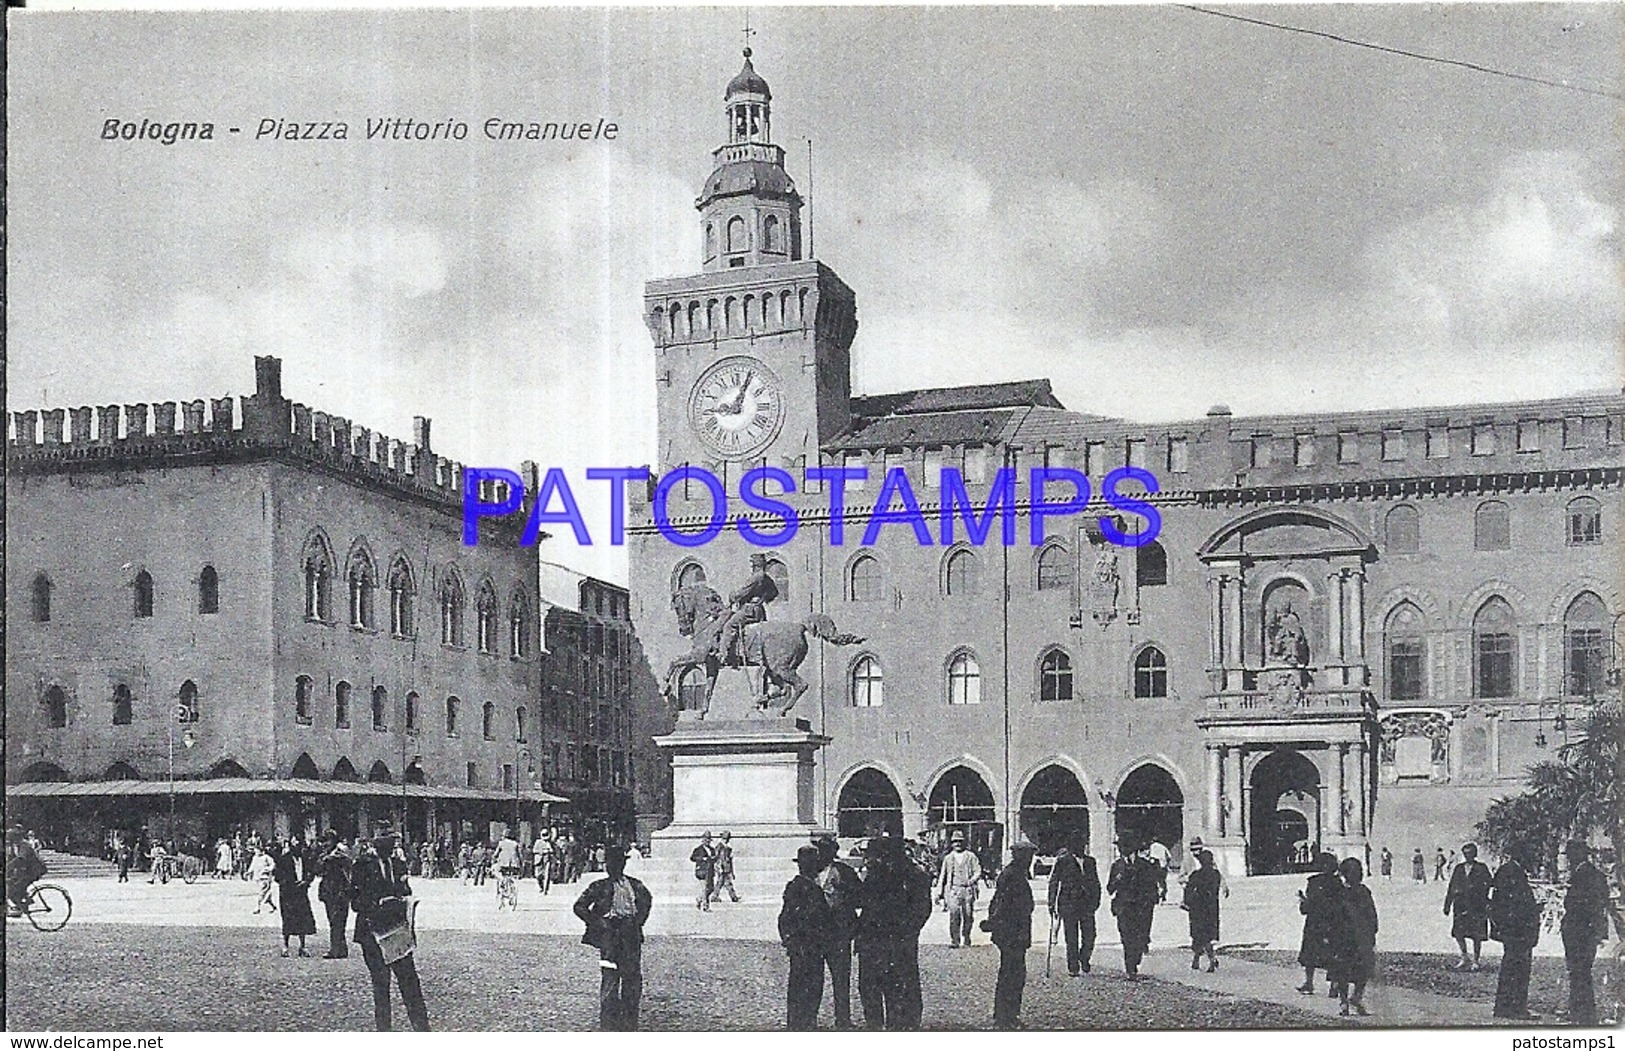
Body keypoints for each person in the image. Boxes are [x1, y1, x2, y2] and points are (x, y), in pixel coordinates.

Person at [352, 823, 430, 1031]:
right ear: (376, 843)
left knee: (410, 983)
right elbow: (355, 902)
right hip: (372, 933)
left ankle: (423, 1030)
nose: (391, 846)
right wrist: (378, 903)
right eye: (386, 842)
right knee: (381, 986)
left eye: (393, 841)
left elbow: (405, 889)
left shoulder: (398, 864)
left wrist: (404, 899)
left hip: (397, 932)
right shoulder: (362, 865)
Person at [854, 835, 933, 1030]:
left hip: (899, 941)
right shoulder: (876, 874)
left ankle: (904, 1023)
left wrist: (908, 931)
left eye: (874, 854)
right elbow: (864, 903)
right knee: (870, 984)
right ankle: (876, 1023)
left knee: (900, 983)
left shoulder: (913, 874)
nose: (870, 859)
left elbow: (922, 909)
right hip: (872, 940)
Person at [573, 842, 652, 1031]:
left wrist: (637, 922)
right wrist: (599, 923)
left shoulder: (635, 885)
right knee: (610, 977)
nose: (613, 867)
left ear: (622, 865)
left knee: (632, 978)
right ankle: (609, 1024)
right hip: (609, 938)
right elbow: (579, 906)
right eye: (611, 863)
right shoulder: (599, 886)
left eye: (617, 863)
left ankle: (629, 1021)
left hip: (630, 936)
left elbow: (647, 902)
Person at [779, 844, 834, 1030]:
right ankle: (805, 1025)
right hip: (811, 947)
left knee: (798, 987)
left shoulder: (795, 886)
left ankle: (797, 1024)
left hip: (800, 948)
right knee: (811, 989)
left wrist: (789, 941)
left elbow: (784, 920)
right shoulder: (808, 888)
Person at [985, 840, 1036, 1030]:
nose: (1030, 860)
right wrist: (993, 923)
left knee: (1013, 974)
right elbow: (1002, 904)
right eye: (1028, 856)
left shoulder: (1015, 874)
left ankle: (1007, 1015)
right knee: (1012, 975)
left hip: (1014, 933)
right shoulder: (1012, 876)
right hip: (1011, 934)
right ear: (1020, 856)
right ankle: (1006, 1017)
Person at [1561, 839, 1611, 1026]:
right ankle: (1579, 1012)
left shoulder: (1584, 875)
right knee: (1580, 971)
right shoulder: (1592, 874)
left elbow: (1577, 905)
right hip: (1586, 931)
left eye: (1570, 855)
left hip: (1579, 931)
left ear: (1577, 855)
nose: (1568, 860)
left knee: (1579, 971)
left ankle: (1581, 1014)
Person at [814, 834, 861, 1029]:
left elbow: (859, 897)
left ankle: (843, 1019)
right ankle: (809, 1019)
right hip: (816, 935)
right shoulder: (810, 872)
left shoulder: (845, 872)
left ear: (833, 852)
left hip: (839, 934)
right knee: (813, 980)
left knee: (841, 980)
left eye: (827, 850)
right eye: (821, 850)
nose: (823, 854)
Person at [1489, 856, 1542, 1021]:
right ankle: (1517, 1008)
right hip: (1518, 930)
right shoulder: (1514, 872)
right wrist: (1535, 908)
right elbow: (1517, 904)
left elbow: (1498, 901)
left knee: (1509, 967)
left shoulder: (1506, 870)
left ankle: (1504, 1007)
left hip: (1510, 929)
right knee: (1519, 969)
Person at [1328, 857, 1377, 1017]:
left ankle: (1354, 998)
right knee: (1346, 971)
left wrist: (1372, 931)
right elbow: (1334, 917)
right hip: (1347, 938)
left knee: (1361, 970)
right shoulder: (1341, 893)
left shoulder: (1362, 891)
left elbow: (1371, 914)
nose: (1358, 875)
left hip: (1357, 938)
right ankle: (1345, 1001)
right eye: (1355, 872)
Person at [1107, 831, 1160, 980]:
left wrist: (1151, 902)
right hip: (1124, 907)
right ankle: (1131, 968)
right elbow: (1110, 889)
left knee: (1140, 937)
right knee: (1126, 937)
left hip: (1141, 907)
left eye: (1123, 846)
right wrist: (1117, 879)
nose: (1120, 849)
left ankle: (1135, 960)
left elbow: (1151, 885)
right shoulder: (1117, 866)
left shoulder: (1145, 865)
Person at [1047, 832, 1101, 976]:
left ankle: (1084, 958)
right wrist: (1051, 903)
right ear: (1072, 846)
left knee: (1090, 935)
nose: (1082, 847)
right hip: (1069, 903)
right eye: (1078, 844)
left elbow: (1095, 882)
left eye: (1083, 844)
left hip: (1087, 904)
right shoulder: (1063, 861)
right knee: (1071, 937)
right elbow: (1054, 882)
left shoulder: (1090, 861)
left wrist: (1096, 900)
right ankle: (1073, 966)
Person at [719, 552, 779, 665]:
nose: (751, 566)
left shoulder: (755, 577)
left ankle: (724, 655)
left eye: (752, 564)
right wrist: (762, 599)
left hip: (749, 611)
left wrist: (732, 596)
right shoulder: (767, 578)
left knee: (729, 626)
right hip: (760, 610)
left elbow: (741, 594)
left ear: (756, 565)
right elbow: (774, 592)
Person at [1296, 853, 1342, 995]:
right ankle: (1334, 986)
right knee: (1333, 954)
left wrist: (1303, 900)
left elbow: (1307, 907)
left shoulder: (1313, 882)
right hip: (1333, 923)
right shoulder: (1338, 883)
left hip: (1314, 924)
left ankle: (1309, 983)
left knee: (1310, 954)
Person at [1443, 842, 1493, 970]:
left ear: (1475, 854)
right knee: (1459, 932)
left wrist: (1483, 898)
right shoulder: (1459, 868)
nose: (1468, 856)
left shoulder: (1481, 868)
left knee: (1477, 934)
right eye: (1465, 854)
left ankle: (1476, 960)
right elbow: (1452, 886)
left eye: (1470, 853)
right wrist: (1447, 905)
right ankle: (1464, 957)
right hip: (1461, 905)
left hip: (1477, 905)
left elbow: (1489, 883)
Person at [273, 837, 317, 958]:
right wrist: (288, 883)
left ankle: (302, 946)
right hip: (288, 893)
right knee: (288, 918)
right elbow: (277, 875)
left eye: (298, 844)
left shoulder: (305, 859)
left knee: (303, 918)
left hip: (301, 892)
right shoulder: (284, 859)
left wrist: (306, 882)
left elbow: (311, 872)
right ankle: (285, 946)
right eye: (294, 844)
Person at [936, 831, 981, 948]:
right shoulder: (948, 858)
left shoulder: (970, 856)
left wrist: (971, 880)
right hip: (953, 890)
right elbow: (943, 876)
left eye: (960, 841)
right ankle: (954, 940)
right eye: (955, 842)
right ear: (951, 843)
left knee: (968, 915)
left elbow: (978, 871)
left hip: (968, 890)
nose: (957, 844)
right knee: (954, 915)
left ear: (964, 842)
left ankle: (966, 937)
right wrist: (939, 892)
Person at [315, 829, 354, 960]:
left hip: (340, 891)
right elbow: (318, 868)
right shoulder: (325, 854)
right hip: (329, 891)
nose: (325, 844)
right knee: (333, 920)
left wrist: (331, 858)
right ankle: (339, 948)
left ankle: (336, 949)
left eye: (327, 841)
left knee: (338, 920)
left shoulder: (341, 851)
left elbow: (349, 861)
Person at [1183, 848, 1222, 972]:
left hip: (1198, 909)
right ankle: (1196, 960)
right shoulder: (1216, 874)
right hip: (1212, 908)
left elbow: (1188, 890)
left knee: (1199, 935)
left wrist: (1186, 903)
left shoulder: (1196, 875)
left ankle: (1211, 959)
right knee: (1207, 935)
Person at [5, 826, 47, 916]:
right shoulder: (17, 845)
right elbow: (13, 859)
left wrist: (8, 866)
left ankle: (23, 904)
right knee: (13, 884)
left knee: (16, 887)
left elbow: (21, 859)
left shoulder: (24, 845)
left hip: (35, 870)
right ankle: (22, 903)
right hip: (26, 870)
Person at [711, 830, 741, 903]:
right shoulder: (719, 847)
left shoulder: (727, 848)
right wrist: (718, 867)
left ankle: (732, 896)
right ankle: (732, 897)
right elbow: (717, 858)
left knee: (724, 883)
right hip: (722, 868)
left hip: (726, 868)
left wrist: (731, 871)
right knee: (722, 883)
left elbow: (729, 860)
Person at [690, 831, 717, 911]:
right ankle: (706, 906)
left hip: (710, 871)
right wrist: (702, 859)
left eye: (708, 840)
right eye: (705, 840)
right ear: (703, 840)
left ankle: (699, 899)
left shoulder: (712, 849)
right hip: (701, 871)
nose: (707, 841)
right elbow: (692, 858)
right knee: (705, 888)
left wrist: (714, 859)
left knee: (711, 888)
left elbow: (715, 858)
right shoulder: (698, 849)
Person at [249, 844, 276, 912]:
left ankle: (257, 907)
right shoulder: (255, 858)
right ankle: (272, 906)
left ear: (262, 851)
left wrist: (268, 869)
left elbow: (273, 864)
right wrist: (249, 872)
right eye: (255, 851)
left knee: (261, 893)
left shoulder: (266, 857)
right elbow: (252, 866)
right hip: (257, 877)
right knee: (264, 894)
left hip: (265, 878)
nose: (256, 853)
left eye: (257, 851)